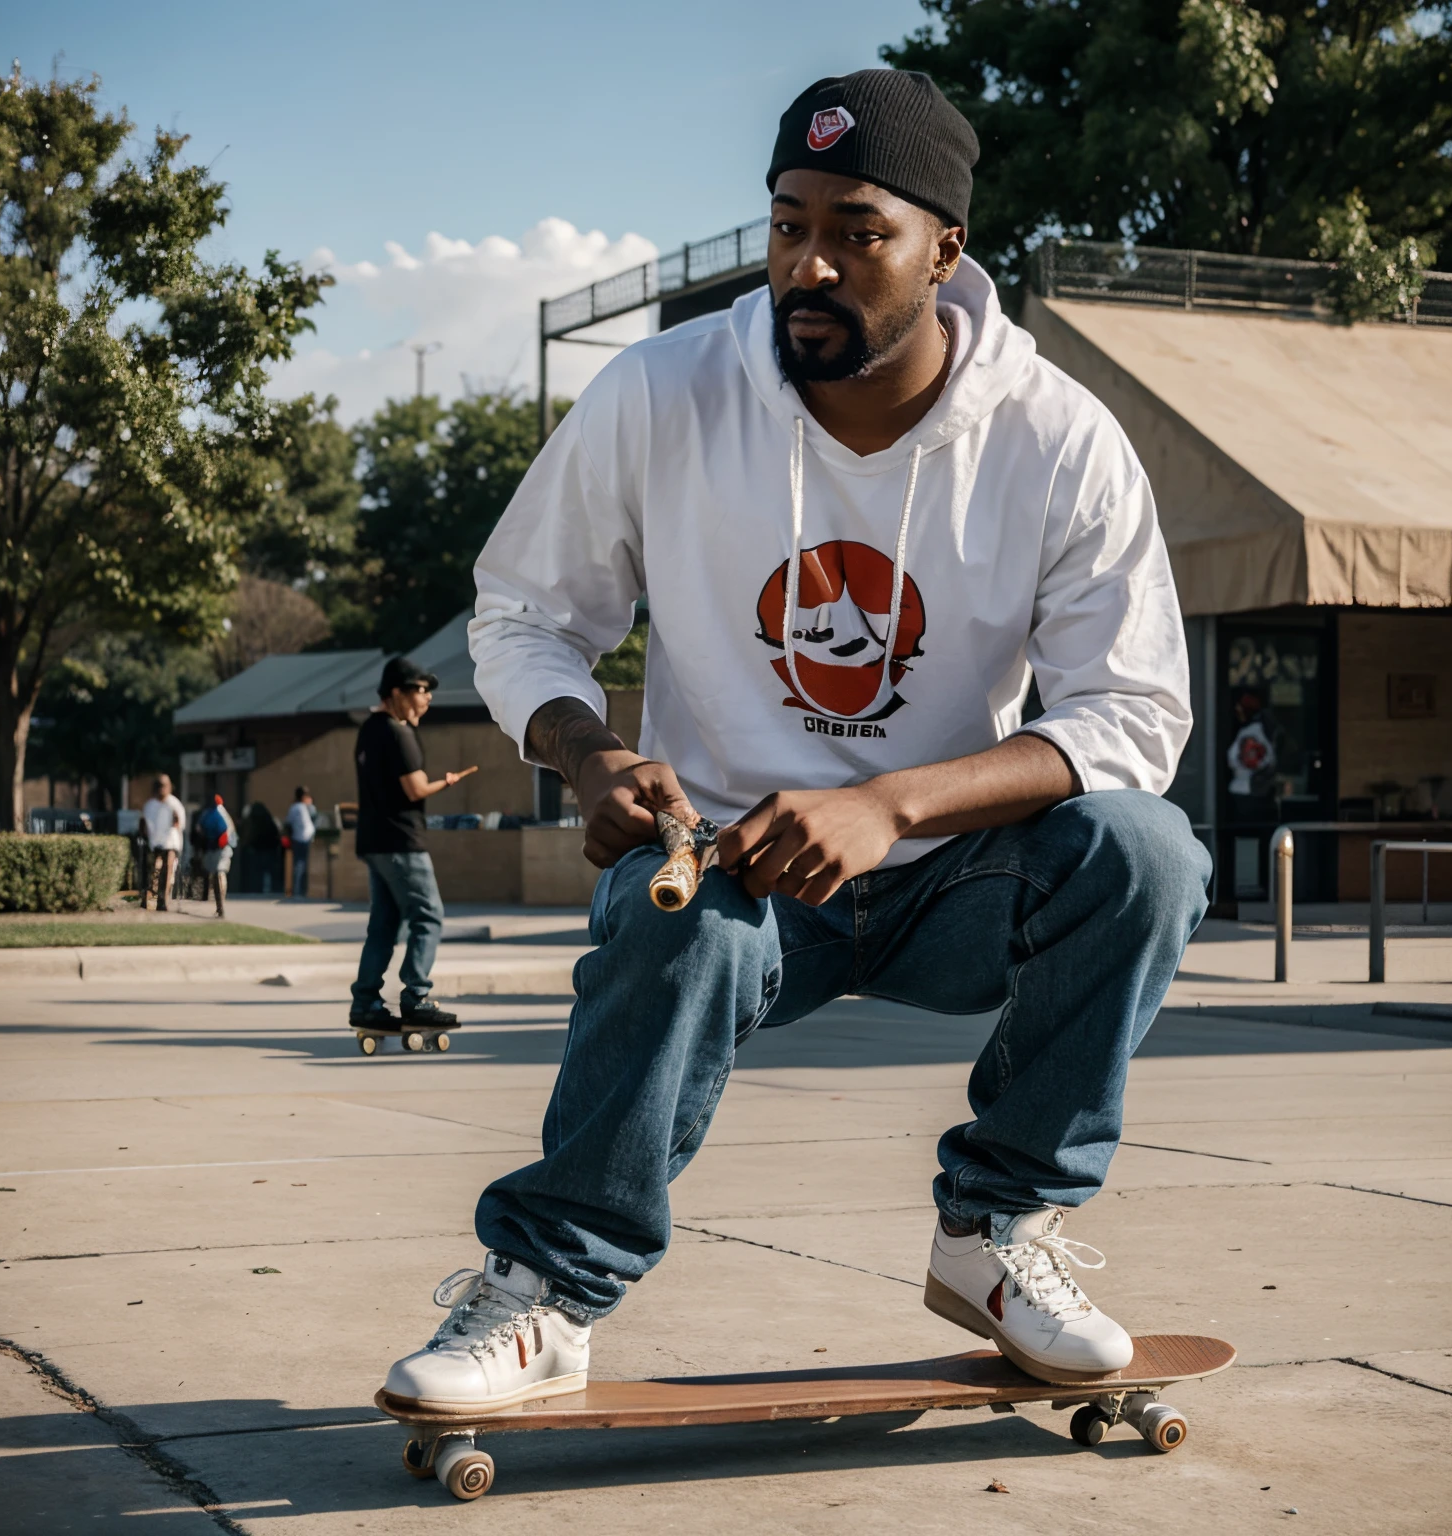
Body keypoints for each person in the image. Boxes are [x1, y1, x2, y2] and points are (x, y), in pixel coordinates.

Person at [381, 70, 1209, 1415]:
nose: (806, 264)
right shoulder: (663, 393)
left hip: (955, 877)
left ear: (945, 250)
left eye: (855, 231)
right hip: (728, 867)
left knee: (1148, 856)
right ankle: (547, 1299)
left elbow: (1134, 712)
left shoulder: (1057, 440)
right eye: (785, 223)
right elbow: (525, 614)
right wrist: (587, 753)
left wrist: (891, 806)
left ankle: (996, 1233)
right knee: (685, 922)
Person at [349, 656, 477, 1031]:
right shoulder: (399, 733)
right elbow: (415, 788)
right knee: (428, 916)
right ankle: (416, 997)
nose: (427, 699)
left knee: (384, 925)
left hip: (373, 841)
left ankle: (366, 1004)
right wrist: (447, 782)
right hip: (402, 841)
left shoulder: (368, 730)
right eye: (421, 691)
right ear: (396, 693)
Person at [139, 774, 186, 912]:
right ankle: (148, 898)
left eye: (164, 786)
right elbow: (144, 826)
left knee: (167, 869)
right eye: (159, 786)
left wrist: (176, 822)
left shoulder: (174, 804)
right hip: (154, 843)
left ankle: (163, 900)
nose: (161, 789)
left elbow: (180, 825)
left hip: (170, 842)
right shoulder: (150, 805)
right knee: (153, 870)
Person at [199, 794, 239, 918]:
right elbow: (231, 835)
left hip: (213, 848)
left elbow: (199, 831)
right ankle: (221, 903)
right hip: (224, 848)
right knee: (221, 873)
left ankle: (219, 906)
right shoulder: (224, 814)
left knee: (217, 875)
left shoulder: (205, 815)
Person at [285, 786, 317, 898]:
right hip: (304, 838)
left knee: (299, 864)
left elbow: (288, 824)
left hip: (299, 838)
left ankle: (299, 889)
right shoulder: (305, 807)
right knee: (301, 864)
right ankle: (299, 890)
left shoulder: (295, 807)